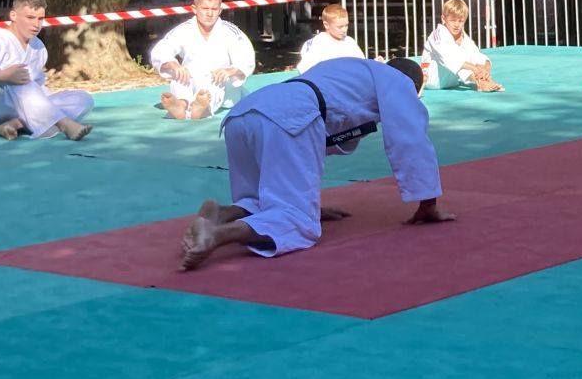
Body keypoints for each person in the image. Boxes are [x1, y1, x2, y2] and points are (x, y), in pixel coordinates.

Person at [180, 56, 451, 269]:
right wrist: (428, 203)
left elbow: (307, 148)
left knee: (260, 199)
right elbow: (410, 140)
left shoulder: (353, 68)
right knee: (298, 221)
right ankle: (218, 235)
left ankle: (219, 213)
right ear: (414, 86)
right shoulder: (398, 81)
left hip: (245, 112)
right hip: (288, 118)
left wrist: (308, 200)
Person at [0, 0, 93, 141]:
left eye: (40, 19)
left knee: (83, 99)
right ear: (13, 15)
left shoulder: (38, 47)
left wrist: (46, 103)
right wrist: (1, 76)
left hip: (19, 109)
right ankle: (65, 124)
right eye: (30, 17)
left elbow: (36, 87)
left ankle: (15, 124)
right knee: (19, 80)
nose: (36, 24)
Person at [150, 0, 256, 121]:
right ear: (194, 9)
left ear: (220, 10)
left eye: (214, 9)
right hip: (193, 80)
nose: (209, 14)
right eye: (205, 9)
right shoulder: (184, 30)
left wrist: (230, 71)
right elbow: (162, 50)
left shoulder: (230, 31)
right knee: (180, 74)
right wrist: (173, 65)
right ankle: (181, 104)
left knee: (216, 80)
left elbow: (246, 58)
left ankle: (204, 108)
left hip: (223, 85)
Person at [423, 0, 502, 92]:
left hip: (450, 82)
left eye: (460, 21)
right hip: (431, 79)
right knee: (456, 55)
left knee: (470, 55)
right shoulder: (437, 35)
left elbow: (476, 55)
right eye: (453, 20)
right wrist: (475, 69)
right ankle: (480, 82)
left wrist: (485, 69)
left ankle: (485, 80)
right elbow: (447, 58)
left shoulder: (463, 37)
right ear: (443, 18)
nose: (457, 25)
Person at [295, 4, 366, 73]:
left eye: (346, 25)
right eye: (340, 27)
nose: (344, 30)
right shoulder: (318, 43)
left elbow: (362, 64)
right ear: (326, 25)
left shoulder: (349, 42)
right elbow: (305, 70)